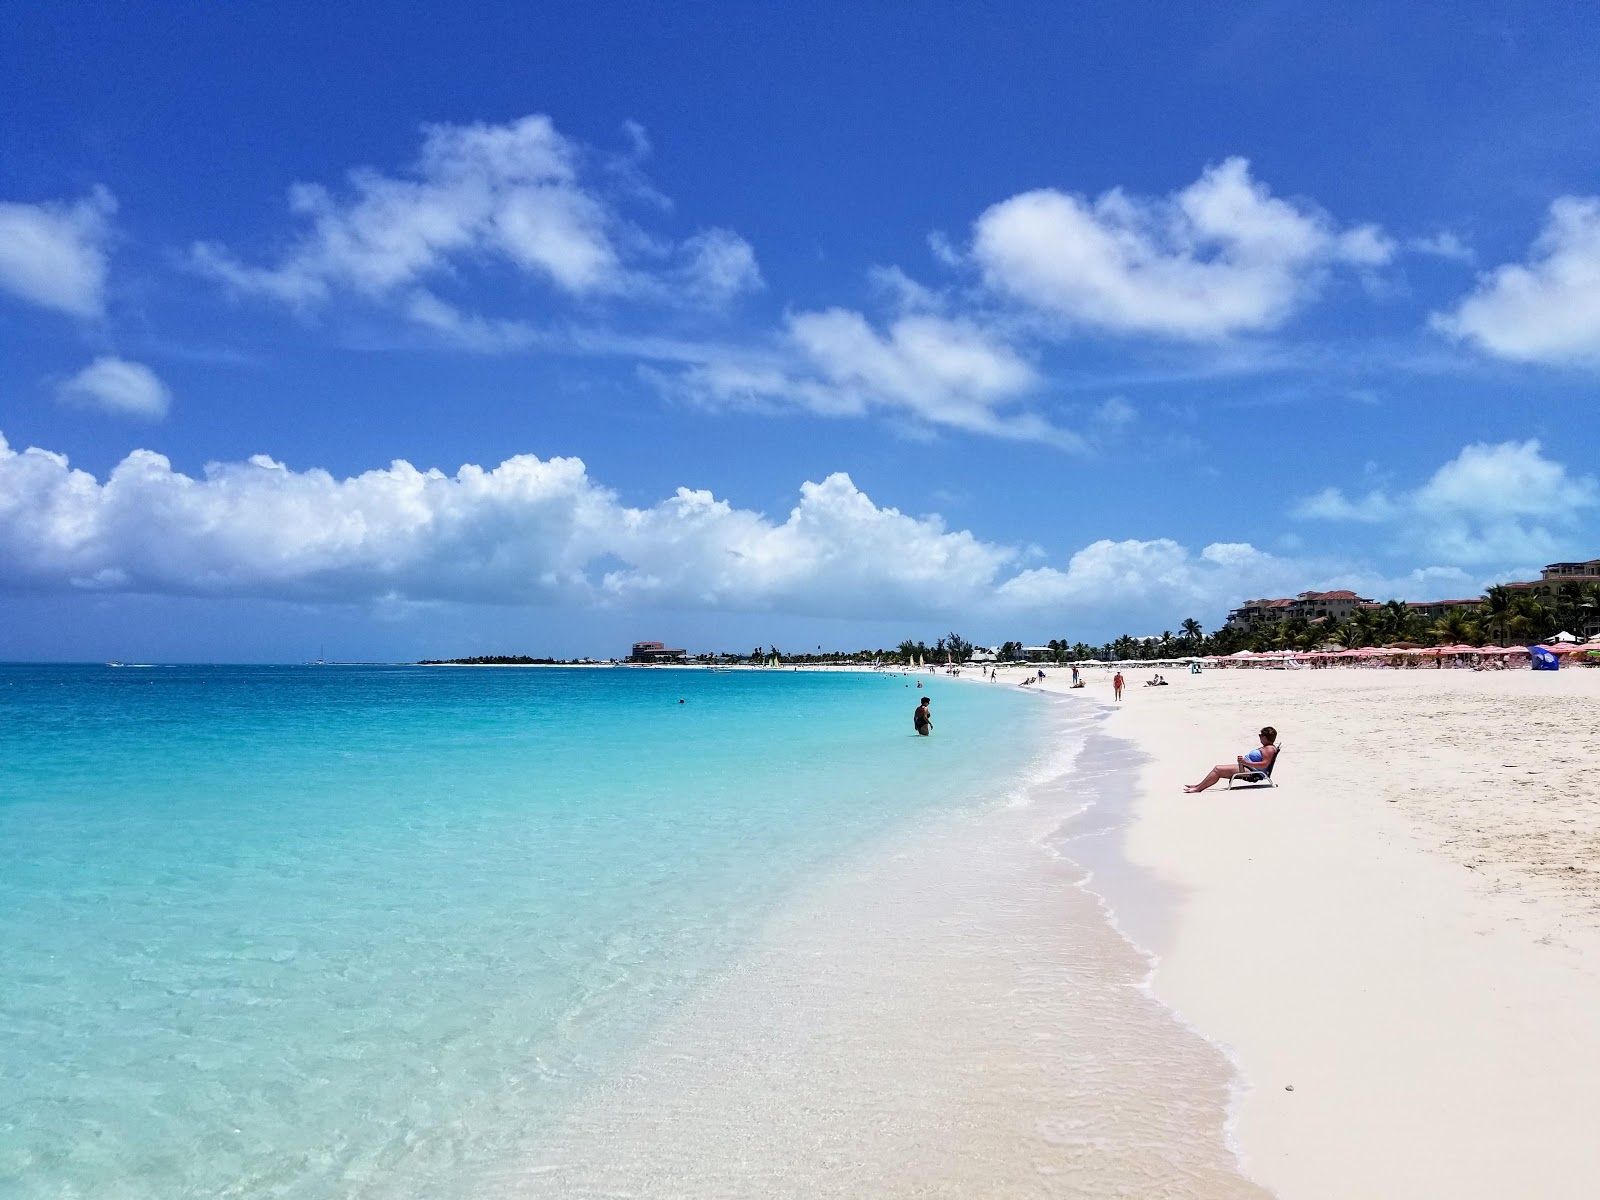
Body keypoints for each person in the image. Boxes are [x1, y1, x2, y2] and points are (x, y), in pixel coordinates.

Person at [1184, 726, 1278, 793]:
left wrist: (1246, 762)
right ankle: (1198, 786)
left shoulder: (1269, 749)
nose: (1260, 737)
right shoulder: (1267, 747)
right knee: (1217, 768)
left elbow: (1265, 764)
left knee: (1218, 769)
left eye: (1260, 735)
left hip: (1252, 772)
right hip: (1248, 768)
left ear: (1265, 737)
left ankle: (1198, 789)